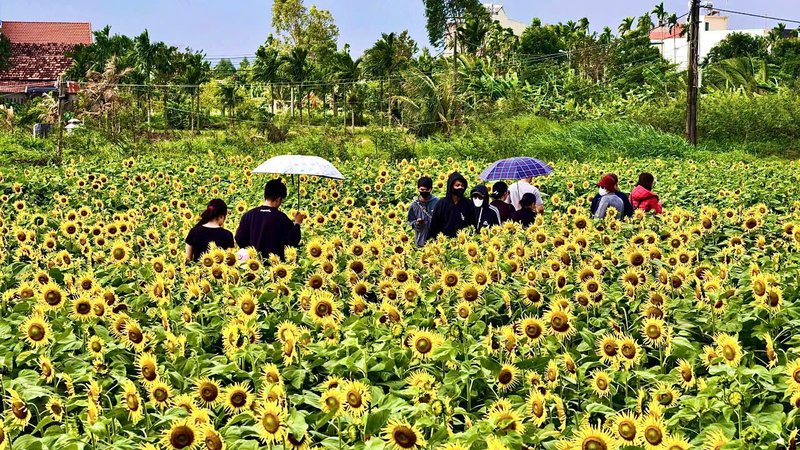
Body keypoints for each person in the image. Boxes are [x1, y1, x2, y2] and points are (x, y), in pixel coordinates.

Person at [235, 179, 304, 261]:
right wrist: (297, 223)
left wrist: (252, 251)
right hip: (276, 267)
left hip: (253, 265)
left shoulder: (248, 215)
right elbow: (293, 241)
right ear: (278, 199)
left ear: (264, 197)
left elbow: (239, 238)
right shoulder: (282, 218)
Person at [429, 172, 474, 240]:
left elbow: (472, 224)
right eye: (457, 185)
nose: (460, 187)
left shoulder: (468, 204)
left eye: (462, 185)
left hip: (464, 242)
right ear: (451, 187)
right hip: (445, 243)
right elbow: (434, 225)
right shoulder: (441, 204)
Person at [407, 176, 440, 247]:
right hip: (421, 241)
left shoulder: (438, 202)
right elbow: (410, 221)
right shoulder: (414, 205)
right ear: (418, 189)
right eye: (422, 189)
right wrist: (417, 223)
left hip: (436, 242)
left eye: (427, 190)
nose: (424, 192)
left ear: (431, 189)